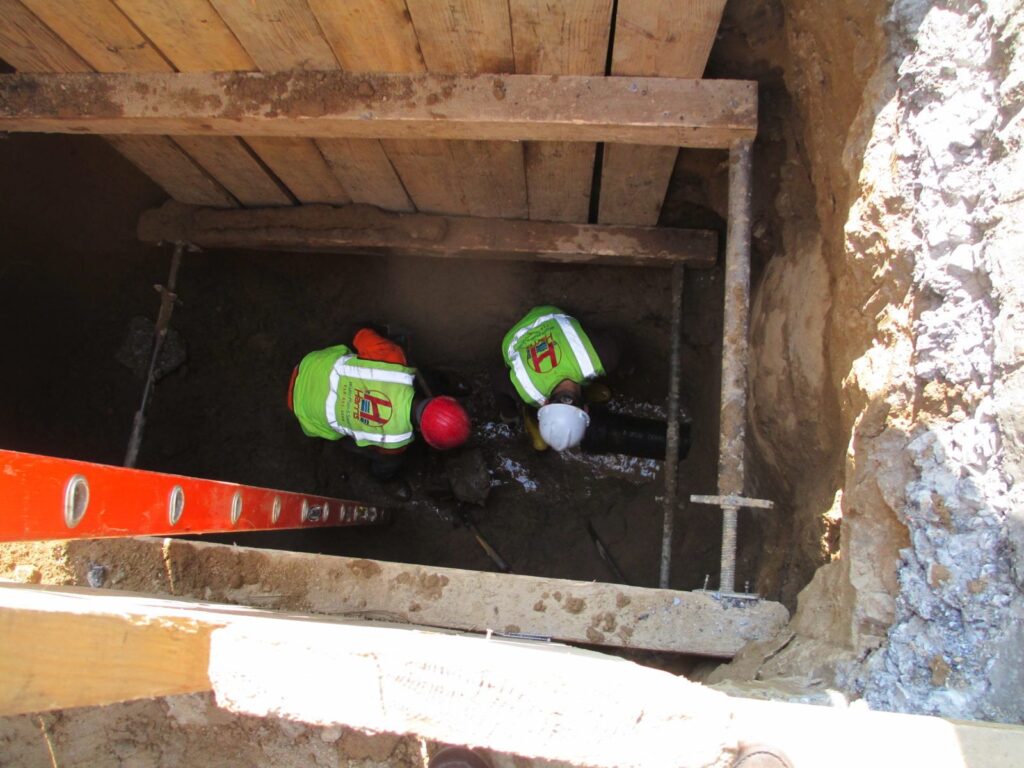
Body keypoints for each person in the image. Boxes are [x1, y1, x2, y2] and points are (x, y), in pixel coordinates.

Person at [288, 327, 471, 479]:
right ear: (425, 436)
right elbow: (376, 445)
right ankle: (383, 479)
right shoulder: (396, 442)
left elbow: (361, 335)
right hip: (305, 413)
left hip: (312, 366)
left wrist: (386, 342)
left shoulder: (394, 359)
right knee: (389, 461)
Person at [498, 306, 620, 451]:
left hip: (539, 321)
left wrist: (509, 413)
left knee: (537, 435)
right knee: (528, 401)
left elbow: (497, 378)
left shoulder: (603, 357)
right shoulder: (526, 389)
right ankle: (530, 413)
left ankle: (531, 411)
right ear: (586, 409)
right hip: (543, 317)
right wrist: (509, 413)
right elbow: (498, 376)